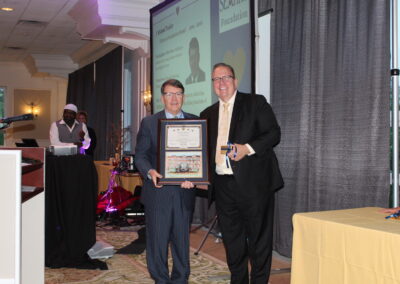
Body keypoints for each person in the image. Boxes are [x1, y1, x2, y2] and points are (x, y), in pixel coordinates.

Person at [200, 63, 284, 284]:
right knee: (232, 241)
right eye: (216, 80)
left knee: (259, 240)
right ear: (213, 85)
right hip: (223, 185)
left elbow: (274, 133)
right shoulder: (207, 114)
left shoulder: (255, 103)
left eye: (225, 77)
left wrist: (247, 148)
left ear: (235, 81)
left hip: (255, 185)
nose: (221, 83)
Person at [135, 79, 197, 284]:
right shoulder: (150, 122)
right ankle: (161, 279)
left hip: (184, 192)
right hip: (158, 192)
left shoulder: (195, 122)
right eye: (169, 94)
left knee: (181, 241)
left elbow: (200, 157)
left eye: (178, 94)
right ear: (162, 98)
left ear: (184, 97)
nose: (174, 98)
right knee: (158, 242)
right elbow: (140, 156)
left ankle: (180, 280)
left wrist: (194, 177)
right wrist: (150, 171)